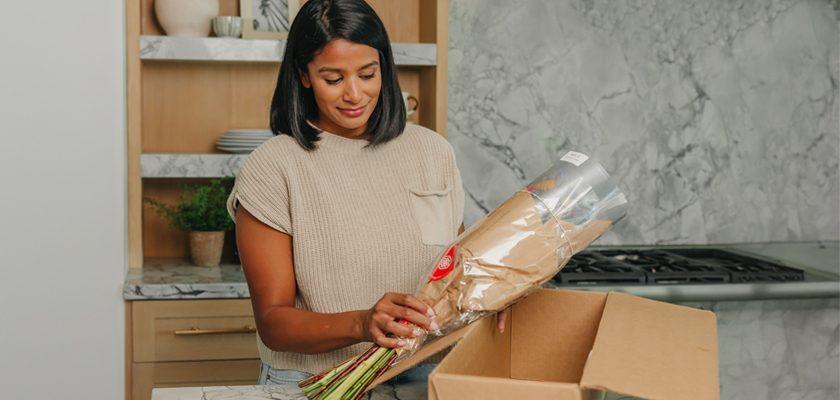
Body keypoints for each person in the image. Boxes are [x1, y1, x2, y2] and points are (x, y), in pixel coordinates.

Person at [226, 0, 502, 387]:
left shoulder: (433, 152)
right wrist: (361, 322)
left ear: (384, 70)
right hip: (313, 384)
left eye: (368, 74)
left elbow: (449, 277)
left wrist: (493, 296)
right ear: (303, 76)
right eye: (333, 78)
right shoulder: (274, 167)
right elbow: (273, 321)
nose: (354, 94)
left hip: (424, 375)